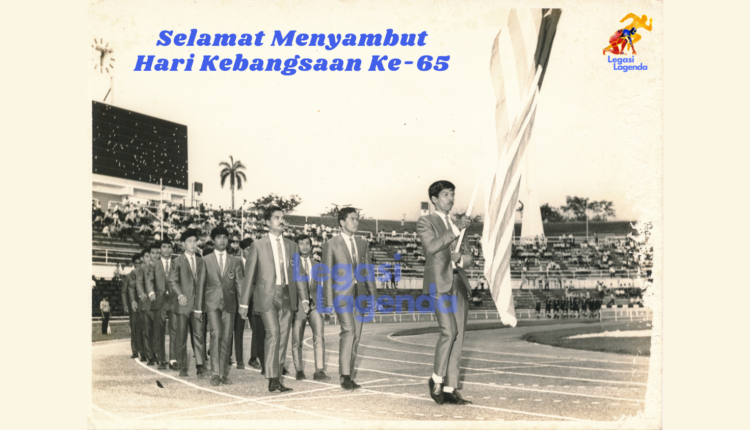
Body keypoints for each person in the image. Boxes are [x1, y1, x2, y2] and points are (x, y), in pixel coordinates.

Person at [240, 206, 309, 393]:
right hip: (267, 296)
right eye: (277, 217)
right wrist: (244, 303)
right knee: (273, 334)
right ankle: (271, 377)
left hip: (287, 295)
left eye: (282, 217)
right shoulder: (258, 245)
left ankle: (277, 377)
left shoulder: (292, 245)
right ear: (267, 222)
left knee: (283, 337)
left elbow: (299, 274)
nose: (281, 220)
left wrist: (304, 299)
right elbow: (249, 276)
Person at [417, 180, 474, 406]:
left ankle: (450, 388)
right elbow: (431, 247)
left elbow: (469, 257)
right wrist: (456, 229)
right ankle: (436, 379)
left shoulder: (459, 224)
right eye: (445, 195)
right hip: (439, 284)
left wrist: (462, 259)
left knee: (458, 337)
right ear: (434, 199)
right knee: (449, 331)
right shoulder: (426, 221)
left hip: (458, 282)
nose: (450, 199)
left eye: (452, 194)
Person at [322, 207, 377, 391]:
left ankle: (349, 374)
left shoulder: (362, 244)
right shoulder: (331, 244)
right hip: (341, 296)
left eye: (357, 219)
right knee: (348, 331)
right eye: (352, 219)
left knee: (356, 336)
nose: (356, 222)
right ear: (342, 222)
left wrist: (373, 296)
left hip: (359, 295)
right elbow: (326, 275)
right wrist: (328, 302)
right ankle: (345, 375)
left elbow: (368, 271)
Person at [200, 226, 246, 386]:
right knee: (216, 334)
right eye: (219, 237)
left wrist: (243, 305)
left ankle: (223, 373)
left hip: (230, 303)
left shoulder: (235, 261)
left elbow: (240, 284)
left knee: (227, 336)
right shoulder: (205, 260)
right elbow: (200, 285)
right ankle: (215, 373)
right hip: (212, 302)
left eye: (225, 237)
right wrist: (199, 307)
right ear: (213, 240)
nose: (222, 240)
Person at [168, 228, 209, 378]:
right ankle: (183, 366)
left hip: (198, 306)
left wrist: (201, 304)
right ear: (183, 244)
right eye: (189, 241)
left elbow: (203, 283)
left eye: (194, 241)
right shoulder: (177, 262)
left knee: (199, 335)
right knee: (181, 337)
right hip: (183, 305)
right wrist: (179, 294)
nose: (193, 244)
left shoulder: (201, 261)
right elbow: (172, 280)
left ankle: (200, 365)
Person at [291, 234, 330, 381]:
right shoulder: (292, 264)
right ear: (296, 246)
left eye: (307, 243)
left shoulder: (317, 265)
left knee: (319, 337)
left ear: (311, 246)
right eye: (301, 244)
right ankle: (299, 370)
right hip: (298, 307)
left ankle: (319, 370)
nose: (304, 246)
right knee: (297, 340)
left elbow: (322, 287)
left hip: (315, 306)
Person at [146, 240, 174, 370]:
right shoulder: (153, 265)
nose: (167, 249)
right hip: (159, 300)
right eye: (164, 247)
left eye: (169, 247)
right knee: (159, 331)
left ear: (172, 249)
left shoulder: (177, 263)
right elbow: (149, 280)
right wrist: (151, 292)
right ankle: (161, 359)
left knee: (175, 330)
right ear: (160, 249)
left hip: (174, 301)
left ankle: (173, 360)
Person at [135, 248, 156, 364]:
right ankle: (149, 356)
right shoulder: (141, 269)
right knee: (146, 332)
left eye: (150, 256)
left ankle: (155, 353)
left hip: (156, 305)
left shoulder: (157, 267)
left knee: (156, 332)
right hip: (145, 304)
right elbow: (138, 283)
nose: (150, 258)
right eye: (147, 256)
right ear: (142, 258)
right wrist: (141, 293)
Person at [122, 255, 141, 358]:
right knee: (134, 328)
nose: (138, 265)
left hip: (144, 305)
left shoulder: (146, 274)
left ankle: (145, 351)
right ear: (133, 264)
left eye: (140, 263)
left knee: (144, 329)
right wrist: (125, 304)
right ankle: (135, 351)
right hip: (133, 306)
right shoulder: (128, 276)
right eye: (136, 263)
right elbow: (123, 292)